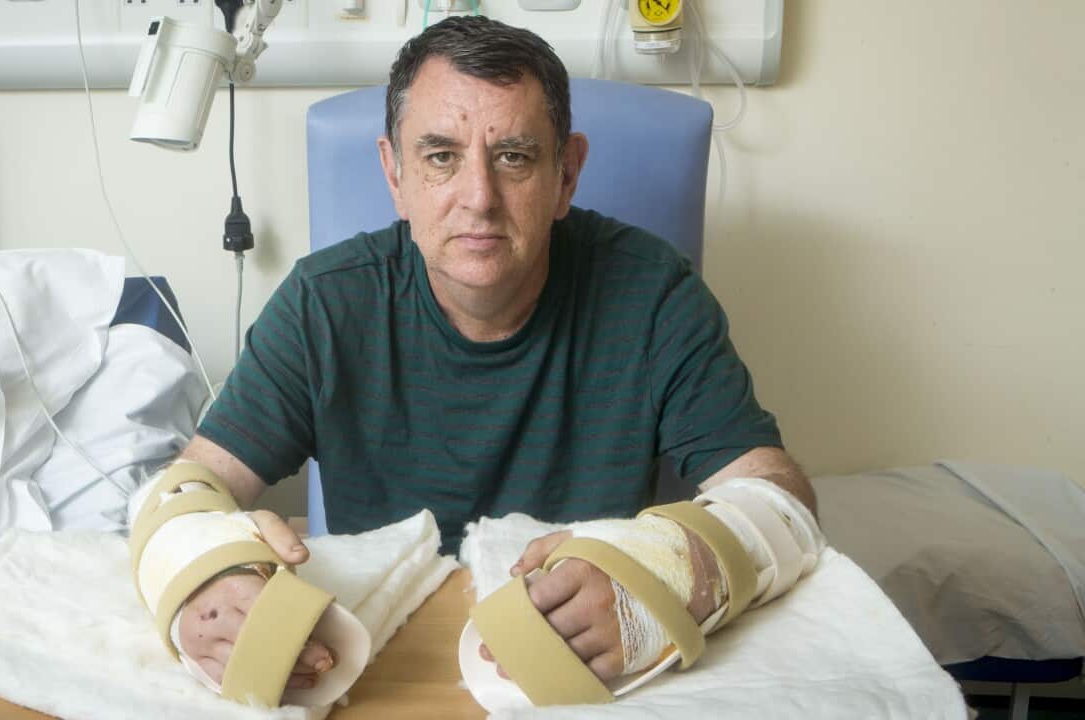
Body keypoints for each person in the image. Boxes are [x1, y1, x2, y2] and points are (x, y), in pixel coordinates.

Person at [144, 14, 817, 696]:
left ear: (566, 174)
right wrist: (209, 570)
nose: (479, 199)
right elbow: (186, 491)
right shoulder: (323, 304)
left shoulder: (653, 294)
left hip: (578, 671)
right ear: (395, 174)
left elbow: (779, 501)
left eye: (514, 156)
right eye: (441, 156)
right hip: (376, 672)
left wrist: (663, 574)